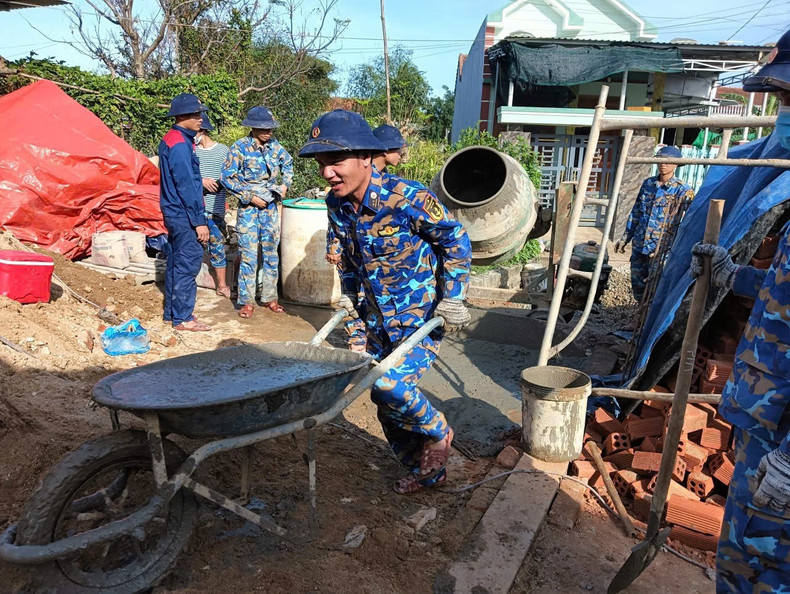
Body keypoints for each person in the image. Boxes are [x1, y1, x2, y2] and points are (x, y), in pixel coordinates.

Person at [299, 109, 472, 494]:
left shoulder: (407, 199)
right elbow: (346, 256)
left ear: (365, 157)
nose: (327, 172)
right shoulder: (337, 205)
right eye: (322, 164)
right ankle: (425, 470)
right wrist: (348, 299)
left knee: (388, 386)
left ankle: (439, 430)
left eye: (336, 161)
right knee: (385, 404)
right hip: (376, 320)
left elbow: (455, 239)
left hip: (419, 317)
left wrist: (454, 295)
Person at [690, 30, 790, 593]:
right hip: (765, 429)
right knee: (742, 565)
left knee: (763, 576)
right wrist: (735, 274)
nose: (782, 118)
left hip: (784, 445)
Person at [221, 106, 293, 319]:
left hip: (270, 207)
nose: (268, 132)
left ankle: (270, 298)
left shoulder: (276, 147)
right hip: (250, 210)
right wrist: (249, 197)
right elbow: (227, 177)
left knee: (271, 253)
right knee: (249, 255)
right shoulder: (239, 148)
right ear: (252, 127)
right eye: (264, 128)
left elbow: (288, 165)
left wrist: (284, 186)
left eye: (271, 128)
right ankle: (246, 301)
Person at [158, 93, 211, 332]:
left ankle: (172, 314)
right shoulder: (179, 144)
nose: (200, 119)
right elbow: (187, 185)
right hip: (183, 214)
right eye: (195, 114)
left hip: (175, 213)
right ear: (182, 116)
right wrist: (199, 221)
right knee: (188, 265)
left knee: (176, 263)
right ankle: (183, 318)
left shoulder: (174, 139)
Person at [615, 145, 695, 302]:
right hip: (640, 243)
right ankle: (638, 316)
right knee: (637, 283)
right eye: (660, 160)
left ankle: (648, 320)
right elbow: (636, 211)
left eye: (667, 161)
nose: (663, 164)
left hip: (661, 247)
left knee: (656, 285)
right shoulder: (648, 184)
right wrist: (626, 238)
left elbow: (692, 217)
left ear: (676, 164)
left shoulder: (683, 190)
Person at [195, 113, 231, 298]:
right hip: (196, 209)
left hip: (215, 209)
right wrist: (201, 181)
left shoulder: (223, 151)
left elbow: (230, 176)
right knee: (193, 247)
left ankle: (222, 286)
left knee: (217, 246)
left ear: (203, 131)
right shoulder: (192, 151)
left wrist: (217, 182)